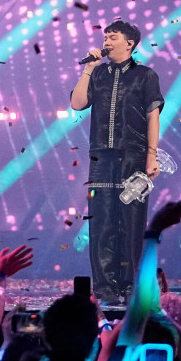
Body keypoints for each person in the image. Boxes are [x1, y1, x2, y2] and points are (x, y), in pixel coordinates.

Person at [69, 19, 165, 305]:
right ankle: (105, 288)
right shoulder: (98, 74)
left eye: (113, 37)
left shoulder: (145, 75)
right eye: (105, 37)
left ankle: (131, 285)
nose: (107, 42)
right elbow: (76, 103)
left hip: (133, 156)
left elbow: (153, 117)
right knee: (101, 223)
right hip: (101, 157)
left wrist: (151, 155)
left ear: (130, 43)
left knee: (131, 222)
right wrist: (88, 69)